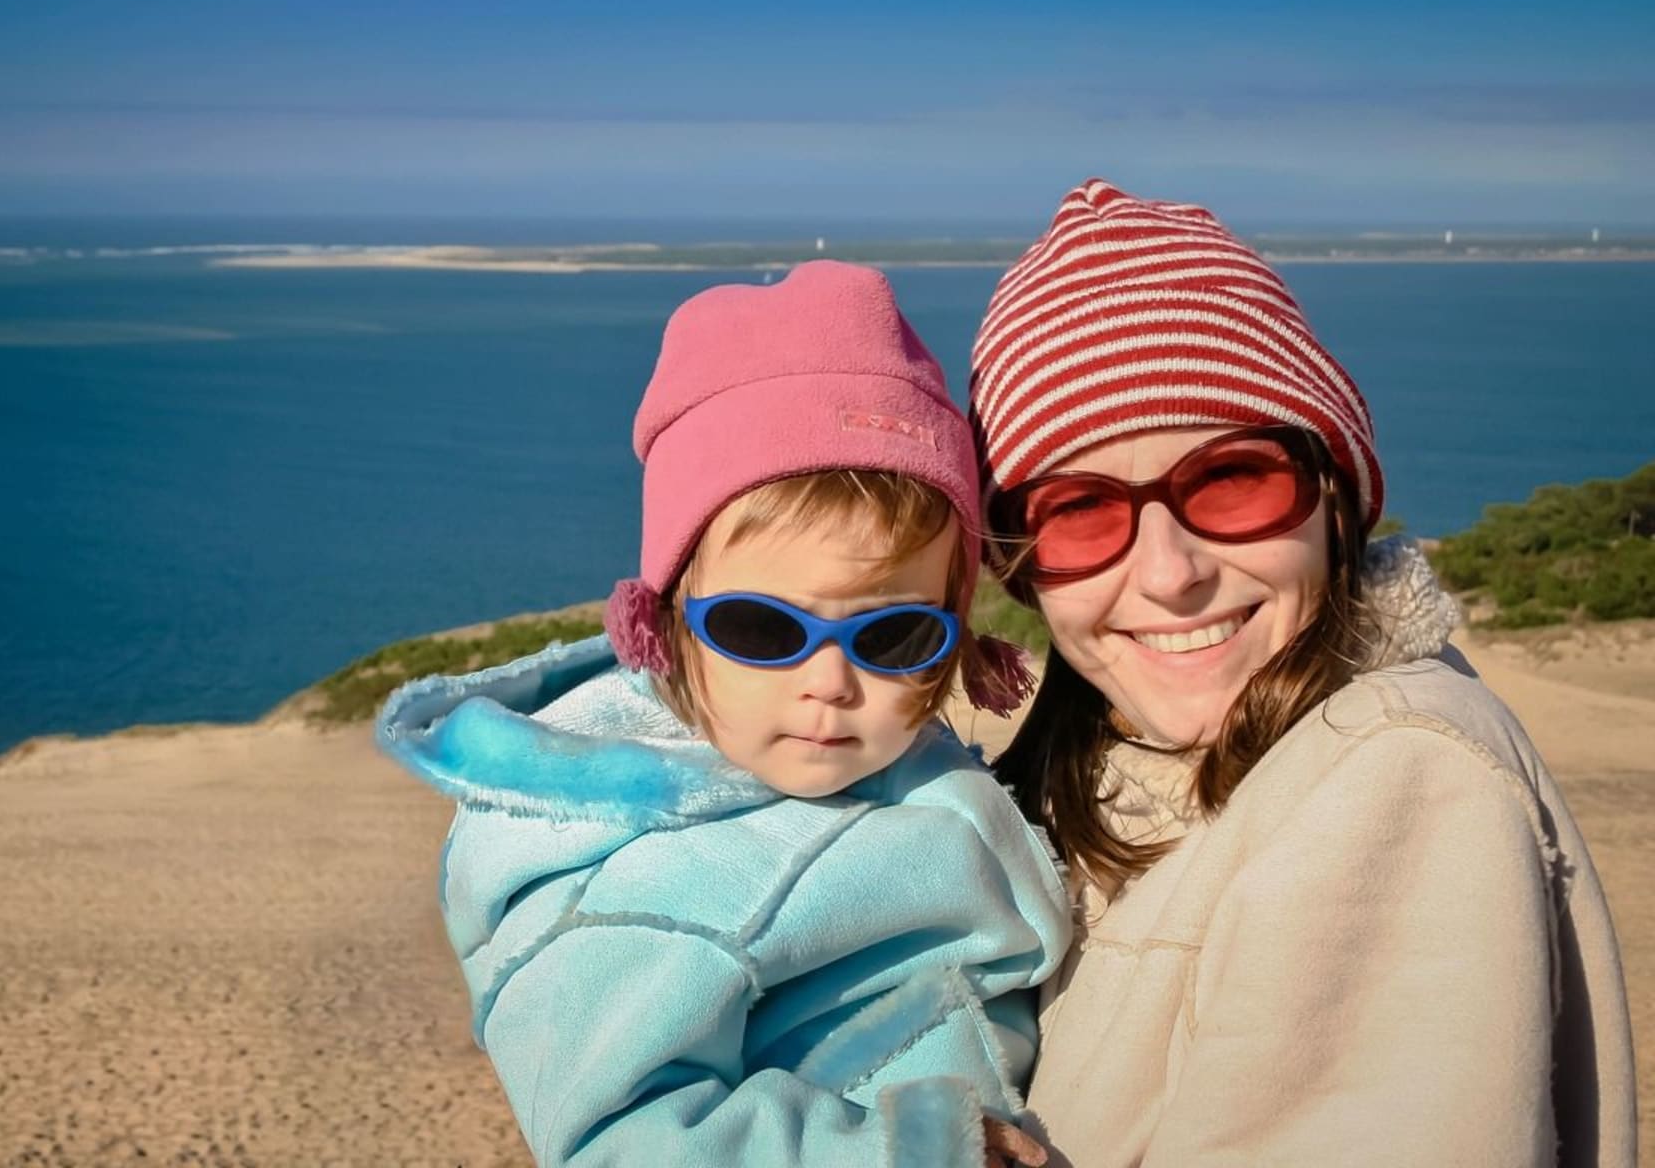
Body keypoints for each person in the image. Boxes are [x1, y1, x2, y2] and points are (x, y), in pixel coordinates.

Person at [968, 178, 1637, 1166]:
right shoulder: (1111, 782)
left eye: (1233, 479)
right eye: (1082, 511)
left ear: (1334, 493)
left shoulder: (1393, 777)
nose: (1171, 573)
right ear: (1024, 563)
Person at [379, 260, 1072, 1167]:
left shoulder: (871, 762)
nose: (829, 680)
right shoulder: (652, 879)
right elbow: (620, 1139)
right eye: (760, 628)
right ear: (663, 623)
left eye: (896, 637)